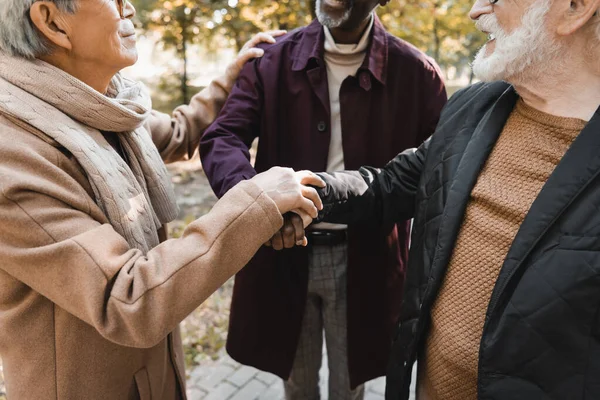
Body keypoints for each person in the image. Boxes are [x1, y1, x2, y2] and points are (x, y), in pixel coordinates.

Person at [0, 0, 325, 398]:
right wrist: (255, 201)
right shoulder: (14, 155)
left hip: (153, 377)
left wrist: (230, 77)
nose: (130, 8)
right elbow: (128, 297)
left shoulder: (101, 103)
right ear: (52, 21)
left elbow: (174, 133)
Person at [311, 0, 600, 398]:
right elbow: (389, 185)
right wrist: (301, 191)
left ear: (575, 7)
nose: (475, 11)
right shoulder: (472, 107)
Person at [199, 0, 446, 398]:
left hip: (368, 259)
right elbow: (223, 138)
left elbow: (439, 172)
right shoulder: (271, 60)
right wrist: (258, 206)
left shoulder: (417, 74)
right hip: (283, 255)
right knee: (297, 384)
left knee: (350, 387)